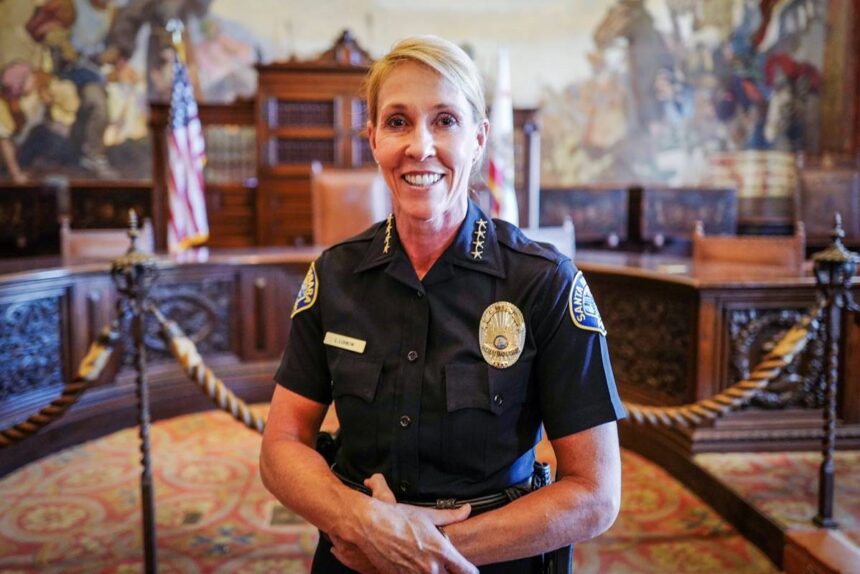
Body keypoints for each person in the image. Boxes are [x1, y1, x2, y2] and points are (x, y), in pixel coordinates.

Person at [260, 35, 625, 574]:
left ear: (478, 139)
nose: (420, 146)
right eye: (398, 122)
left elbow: (596, 493)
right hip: (355, 555)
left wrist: (424, 550)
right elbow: (280, 446)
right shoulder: (334, 276)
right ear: (373, 139)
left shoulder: (544, 284)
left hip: (492, 560)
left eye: (445, 120)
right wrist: (363, 524)